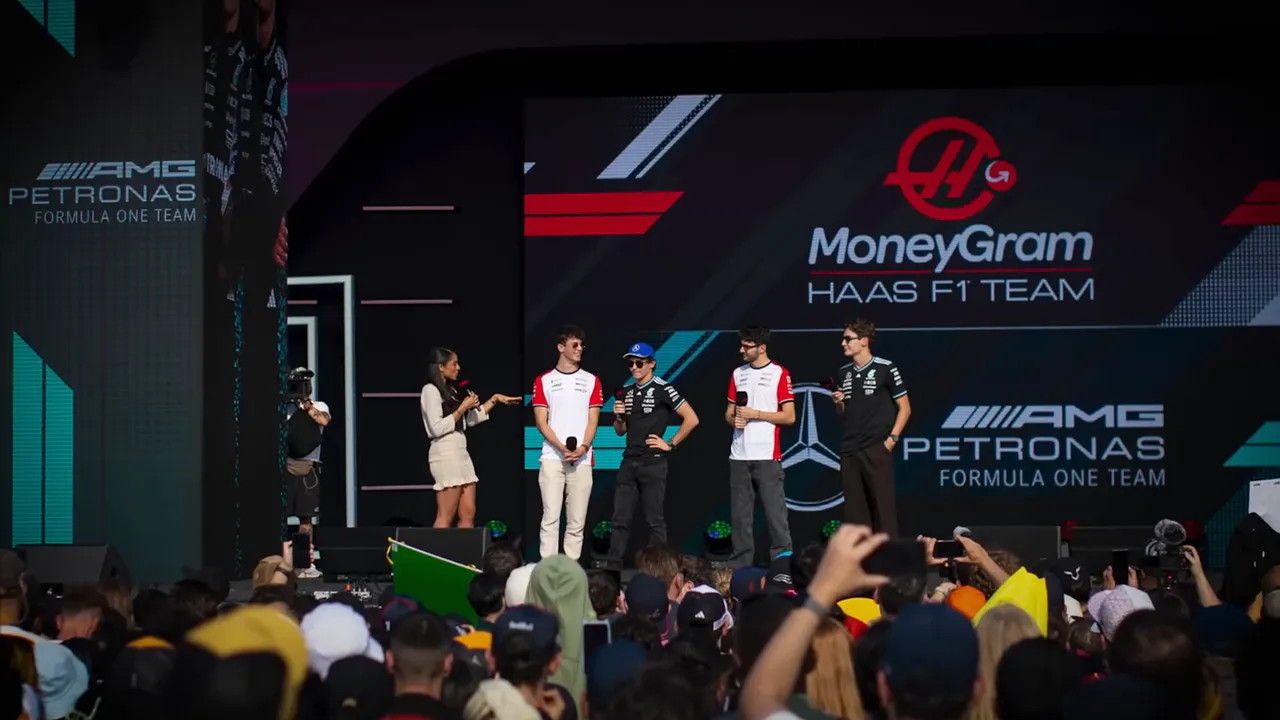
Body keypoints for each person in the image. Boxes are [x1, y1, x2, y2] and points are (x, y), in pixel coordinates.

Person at [605, 342, 699, 566]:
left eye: (639, 362)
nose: (634, 367)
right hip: (629, 461)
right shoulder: (626, 392)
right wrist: (618, 416)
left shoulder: (663, 388)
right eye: (630, 363)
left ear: (652, 363)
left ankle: (659, 569)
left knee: (654, 520)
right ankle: (612, 570)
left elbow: (692, 418)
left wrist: (670, 443)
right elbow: (620, 432)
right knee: (619, 519)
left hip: (653, 462)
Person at [421, 347, 520, 528]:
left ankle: (464, 554)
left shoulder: (451, 391)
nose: (458, 368)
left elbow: (469, 421)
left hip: (460, 451)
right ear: (440, 367)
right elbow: (436, 428)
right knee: (446, 514)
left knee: (468, 512)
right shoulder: (430, 390)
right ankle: (435, 553)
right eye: (454, 364)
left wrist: (495, 399)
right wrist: (462, 407)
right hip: (445, 451)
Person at [831, 318, 910, 536]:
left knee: (882, 509)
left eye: (848, 339)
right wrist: (839, 403)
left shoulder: (885, 367)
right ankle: (861, 564)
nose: (843, 343)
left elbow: (905, 408)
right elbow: (845, 416)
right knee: (855, 513)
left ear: (864, 341)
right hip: (850, 449)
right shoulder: (843, 372)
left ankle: (888, 563)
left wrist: (891, 441)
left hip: (876, 447)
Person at [725, 326, 796, 568]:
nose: (741, 350)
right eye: (741, 345)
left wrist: (756, 414)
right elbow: (728, 413)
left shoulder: (779, 373)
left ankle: (782, 569)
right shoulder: (737, 373)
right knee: (740, 519)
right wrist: (734, 418)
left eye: (747, 346)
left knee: (776, 518)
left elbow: (789, 417)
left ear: (762, 348)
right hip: (739, 455)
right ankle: (739, 572)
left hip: (767, 455)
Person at [532, 325, 603, 560]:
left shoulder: (592, 380)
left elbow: (593, 421)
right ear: (561, 347)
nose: (579, 349)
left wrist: (582, 448)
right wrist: (562, 448)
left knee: (577, 520)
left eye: (582, 345)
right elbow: (542, 422)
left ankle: (570, 570)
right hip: (553, 458)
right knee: (551, 517)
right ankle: (547, 569)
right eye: (575, 345)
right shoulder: (544, 380)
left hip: (582, 459)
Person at [285, 366, 329, 577]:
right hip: (285, 466)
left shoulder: (318, 406)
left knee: (306, 519)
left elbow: (324, 421)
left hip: (308, 469)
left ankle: (303, 564)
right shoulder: (285, 408)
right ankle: (281, 561)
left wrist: (307, 405)